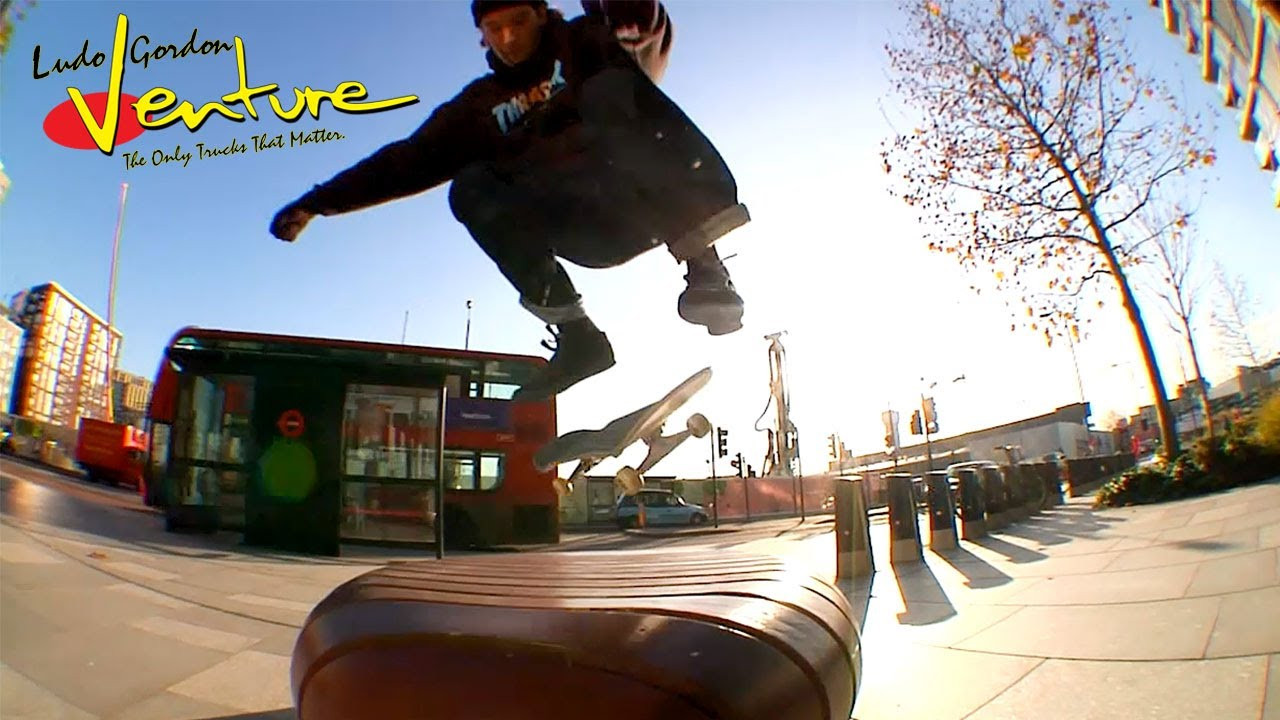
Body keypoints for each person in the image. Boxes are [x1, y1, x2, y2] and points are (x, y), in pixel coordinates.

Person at [270, 0, 749, 400]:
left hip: (654, 198)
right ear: (482, 36)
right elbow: (406, 161)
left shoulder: (589, 41)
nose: (509, 37)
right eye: (494, 28)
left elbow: (640, 22)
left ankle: (707, 270)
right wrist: (317, 202)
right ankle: (578, 337)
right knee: (471, 184)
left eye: (519, 21)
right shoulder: (478, 106)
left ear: (542, 15)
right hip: (587, 228)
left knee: (607, 90)